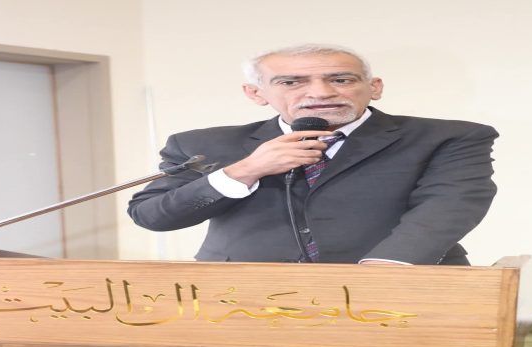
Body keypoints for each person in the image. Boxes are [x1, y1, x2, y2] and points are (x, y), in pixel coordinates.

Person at [127, 44, 498, 265]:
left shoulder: (449, 137)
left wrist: (383, 274)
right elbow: (153, 215)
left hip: (398, 294)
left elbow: (447, 208)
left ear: (374, 87)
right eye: (292, 82)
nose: (320, 93)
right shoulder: (201, 145)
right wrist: (246, 170)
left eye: (341, 79)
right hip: (241, 300)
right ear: (256, 93)